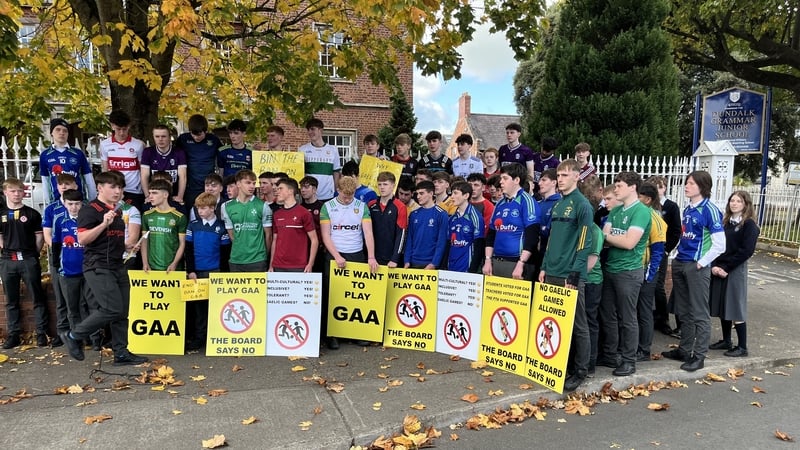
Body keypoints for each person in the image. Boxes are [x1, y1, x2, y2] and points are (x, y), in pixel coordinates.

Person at [60, 171, 148, 365]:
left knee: (123, 311)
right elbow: (83, 239)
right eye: (113, 187)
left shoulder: (117, 211)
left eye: (120, 187)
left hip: (117, 264)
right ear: (100, 188)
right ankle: (74, 335)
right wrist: (103, 224)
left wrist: (126, 246)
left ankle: (121, 352)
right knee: (111, 308)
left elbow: (109, 239)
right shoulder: (90, 210)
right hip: (97, 266)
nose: (118, 191)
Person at [661, 171, 725, 372]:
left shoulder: (710, 210)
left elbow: (720, 244)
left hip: (695, 266)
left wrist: (702, 262)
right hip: (681, 262)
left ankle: (699, 356)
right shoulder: (688, 209)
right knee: (684, 310)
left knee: (699, 312)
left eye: (690, 183)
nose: (686, 186)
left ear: (702, 187)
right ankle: (684, 349)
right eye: (686, 183)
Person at [538, 159, 593, 391]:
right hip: (551, 271)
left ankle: (581, 370)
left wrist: (575, 273)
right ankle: (562, 365)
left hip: (569, 275)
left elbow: (585, 241)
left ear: (576, 177)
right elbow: (551, 240)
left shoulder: (583, 205)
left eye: (564, 175)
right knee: (556, 322)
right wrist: (543, 266)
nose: (559, 179)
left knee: (578, 324)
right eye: (558, 175)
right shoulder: (558, 205)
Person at [599, 171, 651, 377]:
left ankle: (629, 360)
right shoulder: (615, 211)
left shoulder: (641, 211)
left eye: (619, 185)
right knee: (608, 313)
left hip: (629, 271)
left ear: (632, 187)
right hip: (611, 267)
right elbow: (605, 237)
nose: (616, 189)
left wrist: (608, 236)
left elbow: (629, 243)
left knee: (628, 317)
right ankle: (610, 354)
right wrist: (610, 236)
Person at [320, 176, 379, 349]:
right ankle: (332, 334)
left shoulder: (361, 206)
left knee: (355, 295)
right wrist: (337, 256)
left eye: (351, 195)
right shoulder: (328, 207)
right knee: (333, 295)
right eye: (345, 195)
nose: (348, 199)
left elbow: (368, 233)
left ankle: (355, 333)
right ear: (338, 190)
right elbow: (325, 235)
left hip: (356, 253)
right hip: (334, 254)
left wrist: (371, 256)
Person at [709, 191, 759, 357]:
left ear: (746, 204)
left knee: (735, 306)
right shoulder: (725, 222)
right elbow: (717, 244)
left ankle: (742, 346)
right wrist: (715, 265)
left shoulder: (749, 225)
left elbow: (746, 251)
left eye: (738, 201)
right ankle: (726, 341)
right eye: (732, 200)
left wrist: (726, 268)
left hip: (734, 269)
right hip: (720, 267)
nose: (734, 203)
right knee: (723, 304)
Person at [0, 178, 49, 349]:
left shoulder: (32, 213)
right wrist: (6, 249)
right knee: (11, 299)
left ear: (24, 192)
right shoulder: (2, 214)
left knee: (37, 296)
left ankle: (42, 333)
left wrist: (32, 254)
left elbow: (39, 237)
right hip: (8, 261)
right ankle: (14, 334)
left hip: (28, 259)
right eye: (12, 191)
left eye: (19, 191)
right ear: (5, 192)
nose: (16, 194)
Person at [51, 189, 102, 350]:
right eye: (70, 204)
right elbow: (56, 245)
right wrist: (57, 265)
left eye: (77, 204)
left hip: (88, 269)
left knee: (92, 305)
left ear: (83, 203)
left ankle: (95, 339)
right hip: (68, 271)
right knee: (72, 308)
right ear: (64, 204)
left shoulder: (88, 219)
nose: (74, 207)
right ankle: (77, 340)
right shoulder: (59, 220)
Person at [184, 192, 230, 351]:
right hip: (198, 272)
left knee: (216, 306)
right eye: (198, 208)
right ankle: (199, 337)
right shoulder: (193, 225)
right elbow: (188, 250)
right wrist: (191, 270)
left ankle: (215, 336)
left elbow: (225, 252)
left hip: (216, 271)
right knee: (199, 308)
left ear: (212, 208)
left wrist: (223, 274)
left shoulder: (221, 227)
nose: (199, 211)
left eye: (203, 208)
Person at [482, 163, 540, 280]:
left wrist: (521, 263)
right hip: (496, 261)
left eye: (505, 178)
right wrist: (488, 260)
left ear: (517, 180)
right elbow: (491, 234)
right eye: (500, 178)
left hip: (516, 263)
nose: (501, 182)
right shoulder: (500, 203)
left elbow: (532, 236)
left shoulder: (527, 201)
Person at [42, 173, 79, 347]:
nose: (64, 187)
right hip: (60, 257)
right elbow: (48, 235)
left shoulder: (83, 206)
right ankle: (62, 333)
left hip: (80, 259)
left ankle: (82, 335)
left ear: (76, 186)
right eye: (61, 185)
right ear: (57, 188)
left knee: (81, 301)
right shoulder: (51, 209)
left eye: (68, 184)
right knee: (61, 299)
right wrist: (62, 250)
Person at [645, 176, 682, 336]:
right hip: (647, 251)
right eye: (654, 187)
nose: (657, 190)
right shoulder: (645, 206)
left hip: (660, 250)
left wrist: (666, 249)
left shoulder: (671, 206)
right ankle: (650, 316)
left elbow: (675, 230)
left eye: (660, 187)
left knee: (658, 286)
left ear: (665, 188)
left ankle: (663, 319)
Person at [635, 184, 667, 362]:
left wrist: (651, 273)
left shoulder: (654, 218)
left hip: (647, 270)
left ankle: (644, 349)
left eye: (638, 195)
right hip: (635, 268)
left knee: (644, 309)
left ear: (647, 199)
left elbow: (658, 249)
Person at [221, 169, 273, 272]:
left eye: (254, 183)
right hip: (236, 260)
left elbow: (268, 235)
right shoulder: (226, 206)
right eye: (248, 183)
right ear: (238, 184)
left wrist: (263, 256)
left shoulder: (263, 206)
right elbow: (231, 235)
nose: (252, 186)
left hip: (258, 260)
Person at [39, 118, 97, 203]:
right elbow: (45, 180)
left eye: (65, 131)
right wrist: (48, 201)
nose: (61, 133)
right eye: (58, 130)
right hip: (56, 201)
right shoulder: (45, 155)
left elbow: (88, 177)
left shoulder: (78, 153)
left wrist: (92, 199)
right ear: (51, 133)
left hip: (77, 201)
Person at [100, 110, 146, 211]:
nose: (121, 132)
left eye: (124, 129)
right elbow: (105, 169)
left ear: (129, 126)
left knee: (134, 220)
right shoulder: (104, 144)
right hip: (113, 190)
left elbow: (143, 170)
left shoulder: (138, 145)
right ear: (112, 126)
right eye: (118, 129)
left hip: (134, 191)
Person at [270, 178, 318, 273]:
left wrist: (310, 264)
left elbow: (314, 240)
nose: (277, 191)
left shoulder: (304, 213)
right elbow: (275, 240)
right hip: (278, 265)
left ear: (290, 191)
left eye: (280, 189)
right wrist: (271, 264)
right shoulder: (276, 214)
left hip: (299, 265)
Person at [177, 114, 223, 209]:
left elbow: (224, 153)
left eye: (199, 134)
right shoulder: (183, 139)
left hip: (208, 185)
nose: (196, 137)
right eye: (193, 134)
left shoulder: (213, 140)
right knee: (192, 212)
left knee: (208, 210)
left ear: (205, 131)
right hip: (190, 186)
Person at [141, 179, 187, 272]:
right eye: (149, 193)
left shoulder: (179, 217)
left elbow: (182, 243)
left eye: (154, 193)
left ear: (165, 195)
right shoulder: (147, 215)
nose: (150, 197)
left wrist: (174, 263)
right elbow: (144, 241)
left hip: (173, 268)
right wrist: (145, 263)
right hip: (151, 267)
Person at [404, 180, 448, 269]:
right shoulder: (414, 214)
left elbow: (441, 241)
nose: (418, 196)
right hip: (413, 262)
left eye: (421, 193)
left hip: (430, 263)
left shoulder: (441, 214)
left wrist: (434, 263)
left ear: (431, 193)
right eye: (417, 194)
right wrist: (407, 260)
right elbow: (409, 239)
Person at [141, 124, 187, 204]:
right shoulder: (148, 152)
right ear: (153, 137)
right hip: (154, 196)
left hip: (173, 195)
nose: (160, 139)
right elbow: (144, 176)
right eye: (157, 136)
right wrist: (148, 196)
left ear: (169, 137)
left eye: (163, 136)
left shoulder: (179, 152)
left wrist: (180, 196)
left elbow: (183, 176)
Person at [368, 172, 407, 267]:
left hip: (391, 258)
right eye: (379, 184)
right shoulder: (371, 205)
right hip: (373, 257)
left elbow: (401, 234)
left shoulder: (400, 206)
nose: (382, 187)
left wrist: (395, 258)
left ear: (393, 186)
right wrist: (369, 256)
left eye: (385, 184)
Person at [299, 118, 341, 201]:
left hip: (328, 195)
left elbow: (336, 173)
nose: (310, 132)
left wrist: (336, 190)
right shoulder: (302, 150)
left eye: (313, 129)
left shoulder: (333, 150)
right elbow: (300, 173)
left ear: (321, 130)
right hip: (309, 196)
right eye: (308, 130)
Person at [447, 181, 484, 273]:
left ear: (466, 196)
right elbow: (448, 243)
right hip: (451, 268)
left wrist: (473, 269)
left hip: (467, 268)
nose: (452, 197)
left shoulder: (475, 216)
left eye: (455, 193)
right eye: (451, 193)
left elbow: (479, 245)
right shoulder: (452, 218)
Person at [536, 168, 561, 268]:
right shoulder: (537, 203)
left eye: (544, 180)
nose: (539, 183)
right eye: (540, 180)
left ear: (554, 182)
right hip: (533, 254)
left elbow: (550, 230)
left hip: (548, 254)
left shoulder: (559, 203)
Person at [466, 173, 494, 239]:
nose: (472, 188)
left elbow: (486, 229)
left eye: (476, 185)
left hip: (480, 242)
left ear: (483, 187)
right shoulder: (463, 203)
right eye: (470, 185)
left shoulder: (489, 206)